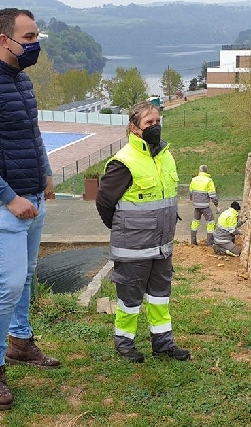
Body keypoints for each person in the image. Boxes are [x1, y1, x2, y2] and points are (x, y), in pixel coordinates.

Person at [0, 7, 59, 412]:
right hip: (3, 205)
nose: (35, 44)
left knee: (26, 276)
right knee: (8, 284)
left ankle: (21, 343)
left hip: (34, 196)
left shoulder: (22, 81)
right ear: (3, 39)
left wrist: (45, 174)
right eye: (28, 38)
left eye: (35, 36)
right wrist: (9, 197)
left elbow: (32, 131)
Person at [96, 100, 190, 363]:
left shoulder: (165, 156)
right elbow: (104, 202)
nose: (155, 127)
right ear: (134, 128)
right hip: (133, 245)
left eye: (157, 122)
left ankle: (163, 343)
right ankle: (124, 343)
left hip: (162, 244)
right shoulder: (123, 162)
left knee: (160, 297)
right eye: (149, 123)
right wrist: (122, 228)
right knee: (129, 298)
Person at [189, 164, 219, 245]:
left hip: (196, 206)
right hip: (205, 206)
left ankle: (193, 241)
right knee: (211, 222)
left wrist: (193, 200)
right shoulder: (208, 181)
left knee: (195, 222)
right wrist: (216, 205)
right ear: (206, 171)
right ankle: (210, 242)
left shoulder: (194, 180)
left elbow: (191, 193)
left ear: (199, 171)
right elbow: (212, 195)